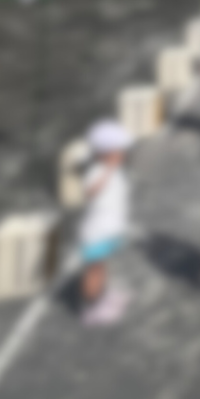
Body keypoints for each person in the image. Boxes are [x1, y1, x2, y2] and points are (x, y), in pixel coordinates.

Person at [78, 119, 133, 326]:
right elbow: (90, 192)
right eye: (119, 151)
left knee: (102, 266)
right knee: (93, 270)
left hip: (109, 230)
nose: (123, 154)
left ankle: (103, 296)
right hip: (96, 233)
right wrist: (108, 171)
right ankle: (91, 308)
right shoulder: (95, 171)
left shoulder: (113, 169)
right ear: (105, 153)